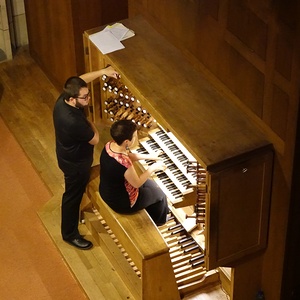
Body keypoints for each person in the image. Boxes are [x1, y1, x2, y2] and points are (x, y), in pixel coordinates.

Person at [53, 66, 119, 250]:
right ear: (72, 99)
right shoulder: (73, 121)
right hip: (75, 164)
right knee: (71, 196)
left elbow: (81, 78)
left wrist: (103, 72)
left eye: (87, 94)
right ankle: (69, 234)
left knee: (74, 192)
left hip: (68, 156)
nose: (88, 99)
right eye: (85, 97)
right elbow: (95, 139)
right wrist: (90, 123)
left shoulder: (63, 99)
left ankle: (76, 218)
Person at [99, 119, 169, 226]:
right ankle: (160, 221)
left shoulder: (110, 145)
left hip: (106, 191)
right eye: (134, 136)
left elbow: (128, 155)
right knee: (160, 194)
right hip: (121, 203)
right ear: (127, 141)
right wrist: (153, 167)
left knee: (152, 185)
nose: (135, 138)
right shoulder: (124, 163)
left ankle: (152, 210)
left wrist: (151, 156)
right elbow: (137, 183)